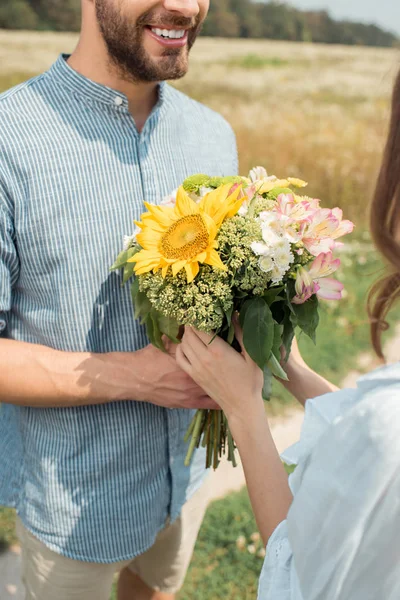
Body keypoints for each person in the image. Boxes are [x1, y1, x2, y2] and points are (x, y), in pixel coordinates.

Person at [0, 1, 239, 599]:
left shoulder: (214, 135)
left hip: (186, 476)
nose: (185, 6)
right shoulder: (9, 140)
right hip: (70, 502)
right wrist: (138, 377)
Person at [177, 68, 400, 599]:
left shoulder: (383, 434)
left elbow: (295, 566)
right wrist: (293, 372)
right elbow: (367, 436)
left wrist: (245, 410)